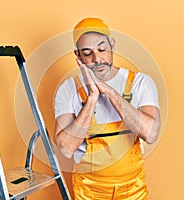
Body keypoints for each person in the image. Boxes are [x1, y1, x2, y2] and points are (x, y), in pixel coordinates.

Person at [54, 17, 161, 200]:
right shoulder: (68, 89)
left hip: (132, 189)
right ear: (78, 56)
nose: (97, 58)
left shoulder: (141, 83)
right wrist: (92, 97)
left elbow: (150, 134)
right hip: (88, 191)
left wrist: (109, 92)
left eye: (102, 49)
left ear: (112, 44)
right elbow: (65, 149)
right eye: (87, 53)